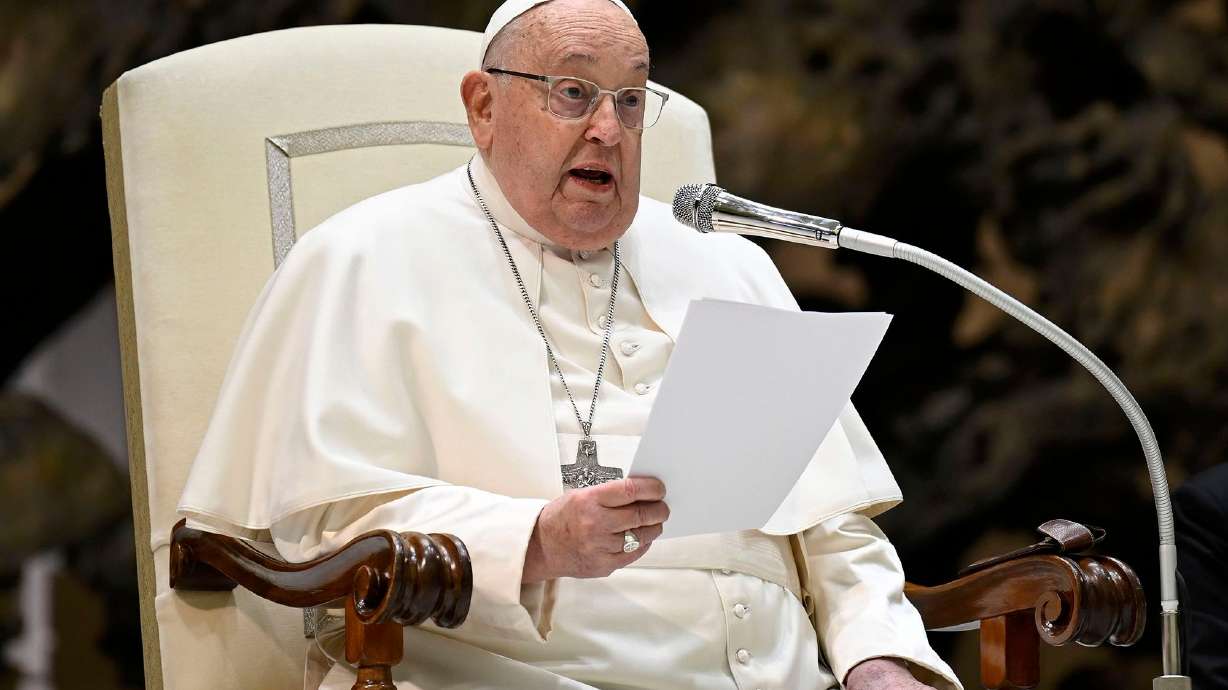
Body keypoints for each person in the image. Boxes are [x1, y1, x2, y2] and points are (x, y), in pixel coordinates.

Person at [178, 1, 961, 688]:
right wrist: (539, 541)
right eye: (573, 92)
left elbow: (834, 525)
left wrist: (879, 657)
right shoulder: (362, 256)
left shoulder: (729, 263)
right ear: (483, 106)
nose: (607, 129)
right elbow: (332, 526)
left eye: (629, 99)